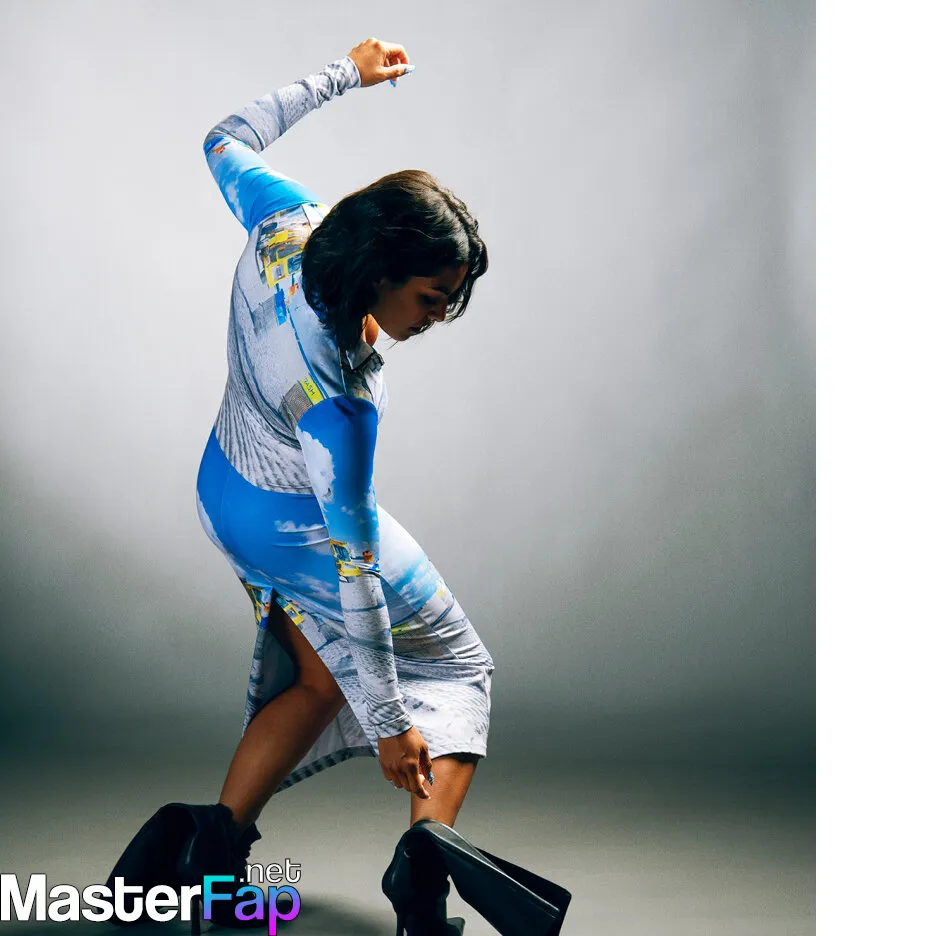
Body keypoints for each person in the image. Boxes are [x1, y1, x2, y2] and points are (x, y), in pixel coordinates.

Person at [105, 39, 568, 936]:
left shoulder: (287, 224)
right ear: (382, 271)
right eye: (431, 297)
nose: (440, 316)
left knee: (318, 681)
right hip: (296, 523)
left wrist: (343, 74)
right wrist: (392, 723)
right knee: (459, 667)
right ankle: (422, 877)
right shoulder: (339, 404)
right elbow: (354, 569)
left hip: (223, 492)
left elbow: (223, 138)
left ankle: (213, 860)